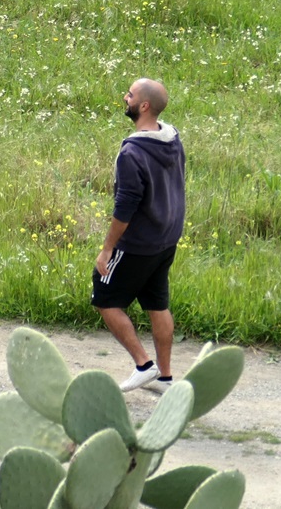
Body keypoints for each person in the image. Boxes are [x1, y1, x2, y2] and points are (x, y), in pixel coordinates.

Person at [92, 77, 183, 392]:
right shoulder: (172, 137)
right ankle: (167, 379)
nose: (124, 97)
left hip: (138, 244)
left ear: (144, 105)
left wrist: (107, 249)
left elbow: (125, 206)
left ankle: (144, 365)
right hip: (167, 238)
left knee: (104, 296)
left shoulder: (132, 152)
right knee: (157, 304)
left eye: (129, 94)